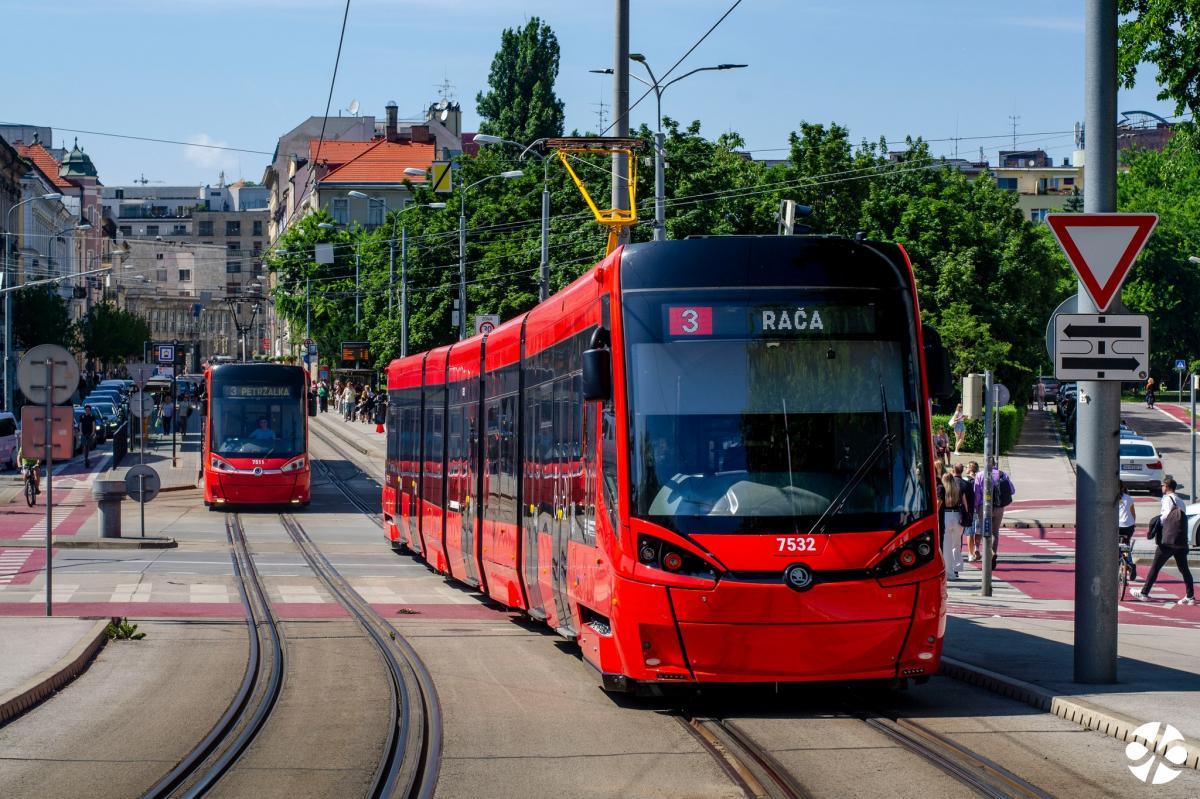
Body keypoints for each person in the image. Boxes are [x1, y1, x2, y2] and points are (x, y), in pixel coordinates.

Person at [1134, 478, 1195, 604]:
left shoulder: (1167, 499)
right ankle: (1190, 597)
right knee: (1184, 569)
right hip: (1181, 541)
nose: (1161, 487)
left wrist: (1157, 523)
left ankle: (1144, 593)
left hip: (1168, 541)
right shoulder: (1180, 501)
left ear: (1166, 486)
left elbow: (1165, 516)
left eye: (1162, 485)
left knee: (1155, 567)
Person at [973, 458, 1015, 568]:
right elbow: (1012, 490)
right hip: (999, 507)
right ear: (995, 464)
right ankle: (993, 556)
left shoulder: (980, 475)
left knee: (984, 532)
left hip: (984, 507)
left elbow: (977, 493)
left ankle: (990, 554)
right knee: (995, 533)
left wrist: (976, 507)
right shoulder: (1002, 474)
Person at [940, 473, 966, 579]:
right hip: (957, 516)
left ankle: (949, 572)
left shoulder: (942, 490)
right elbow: (965, 504)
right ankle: (957, 568)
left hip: (946, 515)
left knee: (946, 546)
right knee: (956, 544)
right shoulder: (959, 489)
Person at [1117, 482, 1136, 550]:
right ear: (1123, 488)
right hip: (1128, 525)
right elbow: (1133, 513)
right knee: (1126, 544)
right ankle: (1127, 558)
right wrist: (1134, 524)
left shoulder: (1111, 498)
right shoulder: (1128, 498)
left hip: (1117, 525)